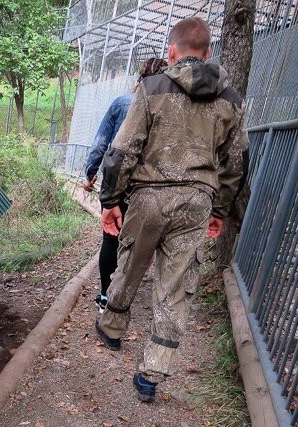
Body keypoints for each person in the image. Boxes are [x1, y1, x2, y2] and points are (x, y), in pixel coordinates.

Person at [94, 17, 248, 403]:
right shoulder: (231, 99)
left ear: (172, 51)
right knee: (175, 286)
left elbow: (122, 149)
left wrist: (111, 201)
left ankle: (112, 327)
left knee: (130, 265)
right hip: (197, 200)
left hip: (148, 196)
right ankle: (152, 373)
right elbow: (237, 161)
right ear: (208, 53)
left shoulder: (152, 87)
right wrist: (220, 210)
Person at [83, 58, 168, 312]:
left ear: (140, 78)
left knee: (111, 238)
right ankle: (125, 296)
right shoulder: (170, 107)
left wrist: (90, 173)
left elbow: (102, 143)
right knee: (141, 242)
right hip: (151, 186)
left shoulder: (122, 103)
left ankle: (105, 297)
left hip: (119, 181)